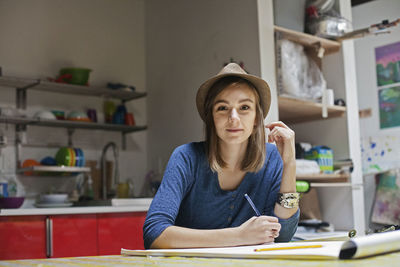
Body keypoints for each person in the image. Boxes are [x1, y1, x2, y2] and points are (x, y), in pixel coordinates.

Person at [143, 63, 299, 249]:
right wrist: (239, 235)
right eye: (223, 108)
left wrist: (289, 164)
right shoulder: (186, 158)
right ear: (211, 117)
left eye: (244, 107)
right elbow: (154, 234)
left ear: (257, 117)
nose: (233, 117)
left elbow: (283, 235)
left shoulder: (272, 157)